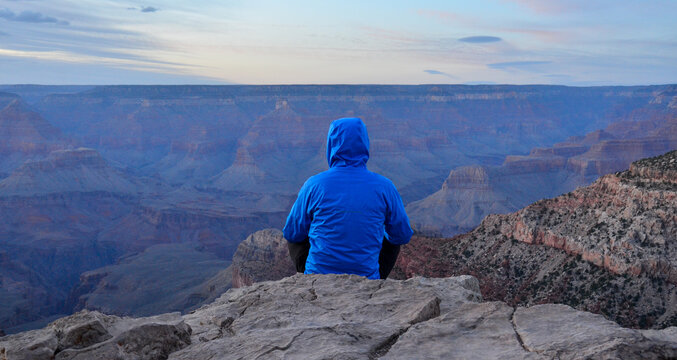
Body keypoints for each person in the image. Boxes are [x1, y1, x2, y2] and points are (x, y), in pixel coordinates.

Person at [283, 117, 413, 280]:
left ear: (331, 144)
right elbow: (403, 235)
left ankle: (308, 276)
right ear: (365, 144)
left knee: (299, 231)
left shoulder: (314, 185)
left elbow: (291, 233)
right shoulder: (385, 187)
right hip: (366, 277)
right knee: (391, 238)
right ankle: (374, 277)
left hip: (318, 277)